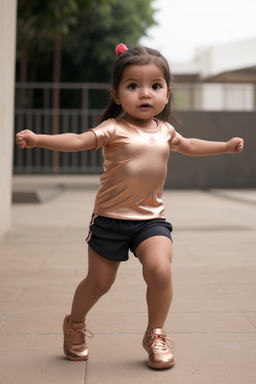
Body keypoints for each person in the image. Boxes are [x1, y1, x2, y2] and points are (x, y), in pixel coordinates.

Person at [16, 43, 244, 370]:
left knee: (160, 270)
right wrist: (40, 139)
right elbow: (78, 140)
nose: (145, 93)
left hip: (151, 221)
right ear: (117, 94)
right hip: (110, 221)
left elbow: (191, 145)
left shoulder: (166, 131)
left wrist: (224, 146)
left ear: (167, 93)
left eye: (155, 86)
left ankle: (155, 333)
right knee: (99, 283)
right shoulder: (113, 128)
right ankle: (75, 324)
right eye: (133, 86)